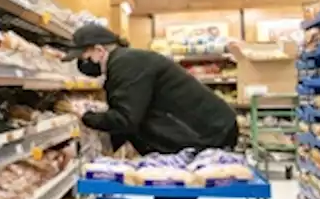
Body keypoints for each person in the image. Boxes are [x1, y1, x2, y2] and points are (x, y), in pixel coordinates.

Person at [66, 23, 239, 154]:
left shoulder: (126, 64)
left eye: (84, 56)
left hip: (208, 132)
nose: (83, 63)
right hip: (208, 127)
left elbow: (126, 118)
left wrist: (85, 116)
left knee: (186, 189)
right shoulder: (127, 60)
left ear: (99, 50)